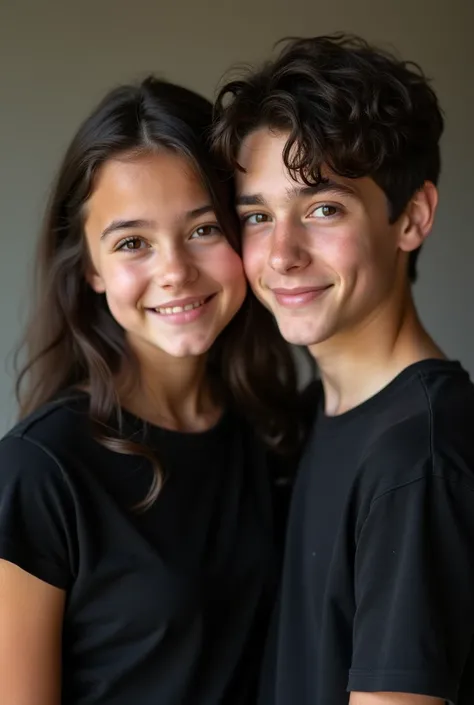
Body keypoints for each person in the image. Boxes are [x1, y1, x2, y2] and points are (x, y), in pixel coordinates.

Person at [0, 76, 303, 705]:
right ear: (89, 266)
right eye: (132, 243)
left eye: (203, 229)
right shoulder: (39, 472)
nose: (174, 272)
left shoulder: (274, 431)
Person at [212, 33, 474, 705]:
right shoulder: (312, 419)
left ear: (411, 217)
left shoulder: (420, 456)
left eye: (323, 208)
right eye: (258, 216)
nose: (282, 253)